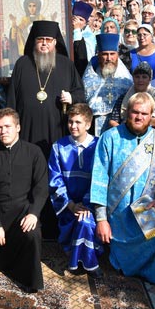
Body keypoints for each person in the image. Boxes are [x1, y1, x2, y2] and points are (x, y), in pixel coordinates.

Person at [90, 92, 155, 298]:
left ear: (151, 116)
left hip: (148, 207)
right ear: (126, 112)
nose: (139, 117)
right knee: (125, 259)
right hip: (119, 212)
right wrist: (101, 218)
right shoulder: (109, 138)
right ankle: (138, 270)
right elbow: (99, 179)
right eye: (135, 112)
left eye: (144, 113)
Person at [0, 108, 48, 292]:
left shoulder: (34, 152)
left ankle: (31, 281)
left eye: (7, 126)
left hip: (23, 212)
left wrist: (34, 214)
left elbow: (41, 187)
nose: (3, 131)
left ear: (18, 127)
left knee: (32, 233)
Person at [7, 20, 86, 157]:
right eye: (40, 39)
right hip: (27, 128)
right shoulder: (22, 64)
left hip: (56, 129)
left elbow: (80, 94)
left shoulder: (66, 65)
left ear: (55, 42)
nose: (44, 43)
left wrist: (71, 98)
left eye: (48, 40)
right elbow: (12, 98)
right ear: (34, 41)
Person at [47, 103, 104, 276]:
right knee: (78, 221)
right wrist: (71, 205)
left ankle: (87, 263)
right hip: (67, 206)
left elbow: (100, 179)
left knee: (86, 222)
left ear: (88, 124)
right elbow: (55, 180)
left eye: (78, 122)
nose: (73, 126)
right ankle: (81, 258)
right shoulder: (59, 147)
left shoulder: (99, 146)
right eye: (71, 122)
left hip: (91, 204)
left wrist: (86, 204)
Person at [83, 33, 133, 135]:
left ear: (117, 55)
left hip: (120, 125)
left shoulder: (126, 80)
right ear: (99, 55)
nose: (109, 58)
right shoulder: (89, 79)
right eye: (105, 54)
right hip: (94, 124)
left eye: (112, 54)